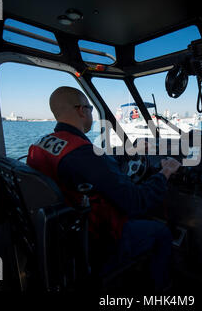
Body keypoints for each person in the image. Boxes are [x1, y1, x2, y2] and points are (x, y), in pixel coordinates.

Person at [27, 86, 181, 291]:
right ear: (82, 110)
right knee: (161, 233)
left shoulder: (40, 144)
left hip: (62, 240)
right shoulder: (83, 153)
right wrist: (165, 173)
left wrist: (130, 150)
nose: (91, 113)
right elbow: (137, 201)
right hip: (96, 243)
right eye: (90, 108)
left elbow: (96, 164)